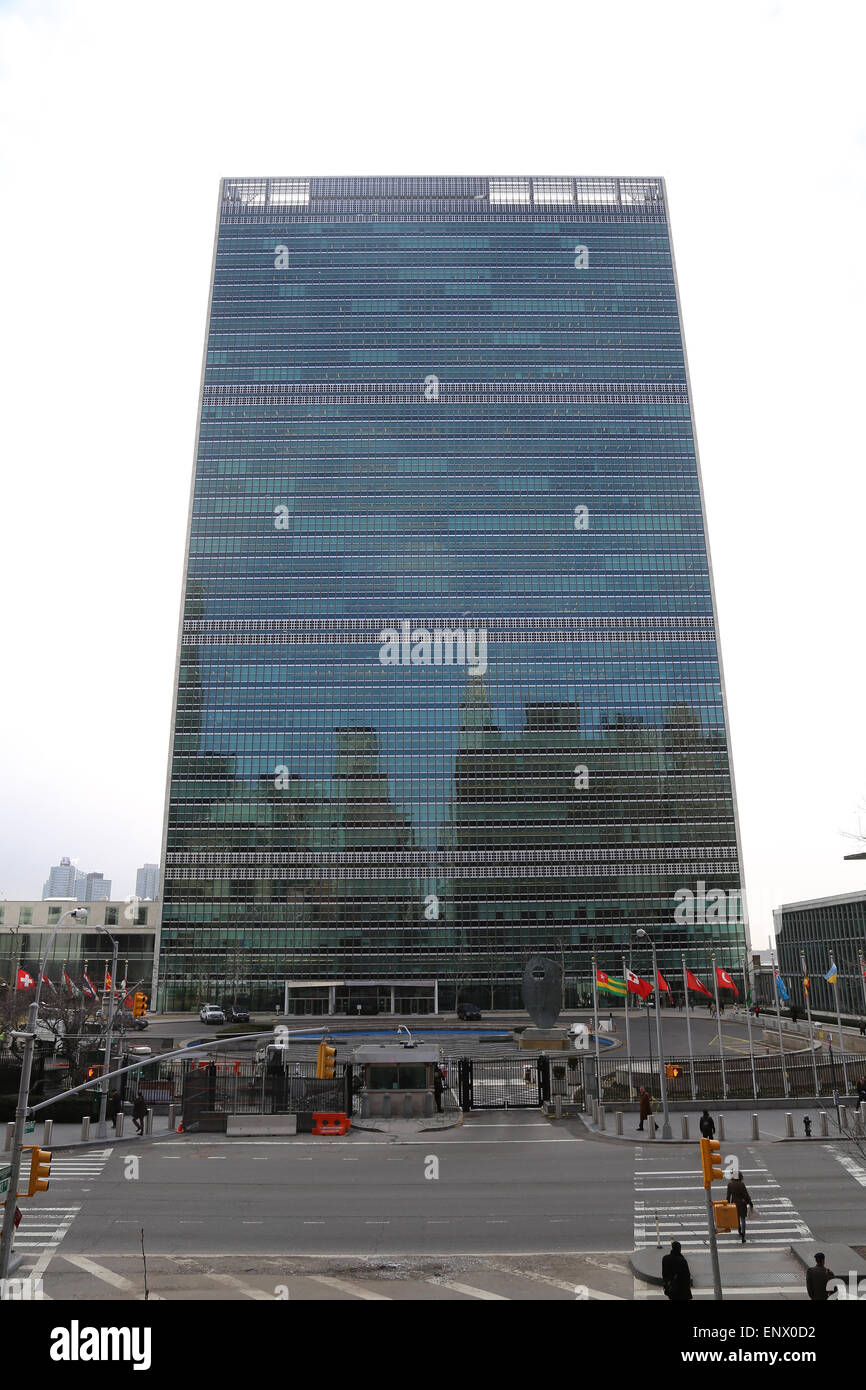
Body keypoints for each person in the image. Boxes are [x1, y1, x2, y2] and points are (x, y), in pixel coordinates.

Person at [726, 1168, 754, 1244]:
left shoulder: (730, 1184)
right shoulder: (741, 1184)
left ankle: (739, 1230)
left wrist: (727, 1204)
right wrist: (750, 1203)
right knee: (743, 1220)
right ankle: (743, 1236)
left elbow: (728, 1196)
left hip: (734, 1204)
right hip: (742, 1204)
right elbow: (746, 1195)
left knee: (737, 1219)